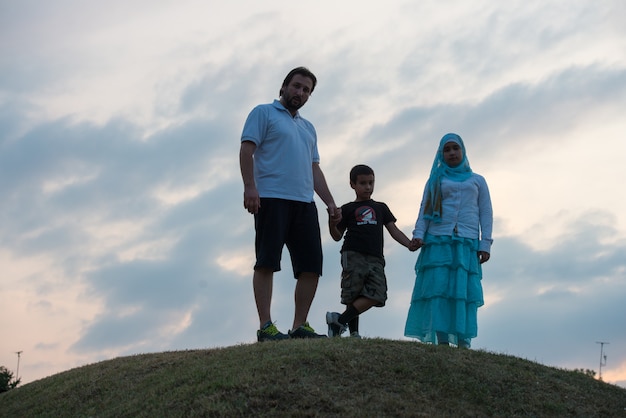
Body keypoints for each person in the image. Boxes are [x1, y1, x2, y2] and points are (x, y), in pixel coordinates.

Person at [239, 66, 341, 342]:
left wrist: (330, 202)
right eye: (296, 86)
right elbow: (247, 150)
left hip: (304, 203)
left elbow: (313, 169)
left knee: (311, 266)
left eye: (306, 90)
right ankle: (266, 327)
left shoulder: (308, 128)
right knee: (267, 262)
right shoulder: (263, 113)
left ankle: (299, 326)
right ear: (283, 87)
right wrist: (250, 187)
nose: (300, 92)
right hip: (270, 199)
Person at [404, 133, 493, 348]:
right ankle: (442, 339)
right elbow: (425, 209)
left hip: (466, 242)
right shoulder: (436, 180)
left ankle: (463, 341)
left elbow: (486, 212)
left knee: (463, 291)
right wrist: (418, 235)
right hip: (438, 240)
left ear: (463, 151)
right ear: (441, 154)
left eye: (456, 148)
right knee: (439, 290)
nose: (452, 153)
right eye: (447, 149)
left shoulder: (477, 180)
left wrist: (485, 243)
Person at [326, 164, 417, 338]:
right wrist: (331, 222)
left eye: (371, 183)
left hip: (375, 257)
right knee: (353, 293)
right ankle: (353, 333)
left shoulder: (381, 207)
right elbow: (337, 236)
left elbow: (394, 230)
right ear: (352, 184)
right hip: (352, 254)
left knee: (378, 293)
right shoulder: (347, 209)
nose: (368, 187)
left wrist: (409, 244)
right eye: (363, 183)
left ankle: (339, 321)